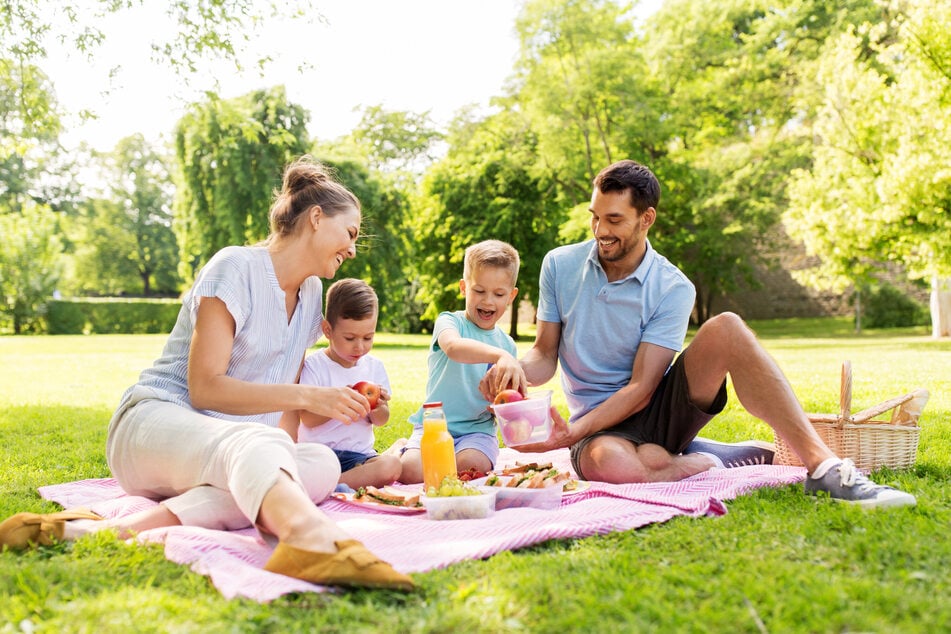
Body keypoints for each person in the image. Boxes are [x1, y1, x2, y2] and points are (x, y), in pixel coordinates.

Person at [0, 156, 414, 590]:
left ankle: (101, 531)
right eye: (349, 234)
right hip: (154, 424)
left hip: (227, 450)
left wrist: (280, 454)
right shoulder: (234, 266)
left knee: (319, 464)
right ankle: (309, 540)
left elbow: (283, 400)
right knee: (258, 446)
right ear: (315, 219)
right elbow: (205, 388)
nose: (352, 248)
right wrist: (309, 398)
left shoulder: (312, 294)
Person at [480, 159, 916, 509]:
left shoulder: (673, 287)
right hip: (600, 427)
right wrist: (513, 368)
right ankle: (702, 459)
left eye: (614, 219)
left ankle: (823, 467)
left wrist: (567, 436)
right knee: (608, 463)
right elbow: (544, 355)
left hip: (654, 408)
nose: (600, 231)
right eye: (594, 217)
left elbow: (642, 387)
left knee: (727, 326)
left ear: (646, 218)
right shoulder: (560, 264)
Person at [399, 240, 528, 483]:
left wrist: (500, 405)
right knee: (411, 473)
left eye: (498, 294)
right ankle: (403, 447)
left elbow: (504, 400)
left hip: (476, 433)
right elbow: (454, 348)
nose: (488, 301)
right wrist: (500, 356)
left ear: (511, 296)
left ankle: (446, 458)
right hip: (435, 426)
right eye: (479, 291)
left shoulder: (507, 345)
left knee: (467, 468)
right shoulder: (450, 322)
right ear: (463, 288)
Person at [281, 278, 402, 490]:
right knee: (302, 467)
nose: (359, 347)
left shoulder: (374, 367)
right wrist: (336, 403)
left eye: (368, 337)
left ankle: (330, 486)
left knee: (391, 466)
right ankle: (332, 484)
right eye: (350, 338)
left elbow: (381, 421)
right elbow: (307, 420)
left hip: (360, 457)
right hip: (320, 454)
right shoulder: (315, 366)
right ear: (327, 330)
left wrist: (378, 406)